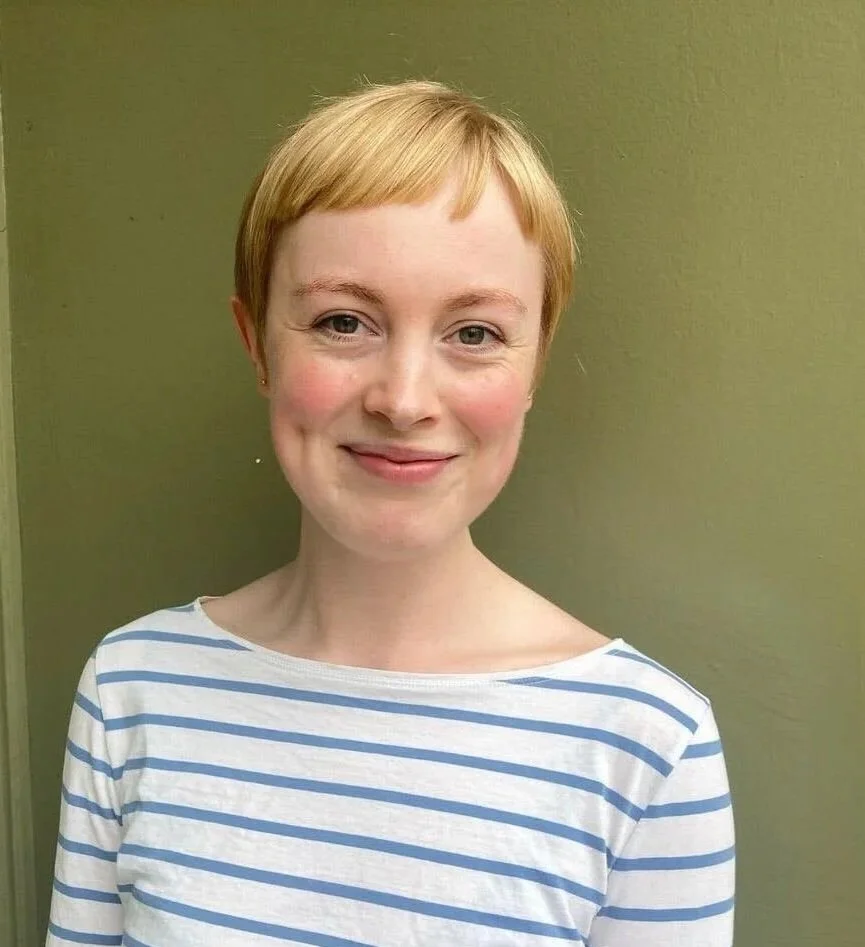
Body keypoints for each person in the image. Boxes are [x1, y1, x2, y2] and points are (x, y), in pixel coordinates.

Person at [47, 80, 735, 946]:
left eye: (474, 333)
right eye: (343, 321)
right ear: (257, 344)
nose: (404, 399)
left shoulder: (642, 744)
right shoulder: (130, 691)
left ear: (534, 367)